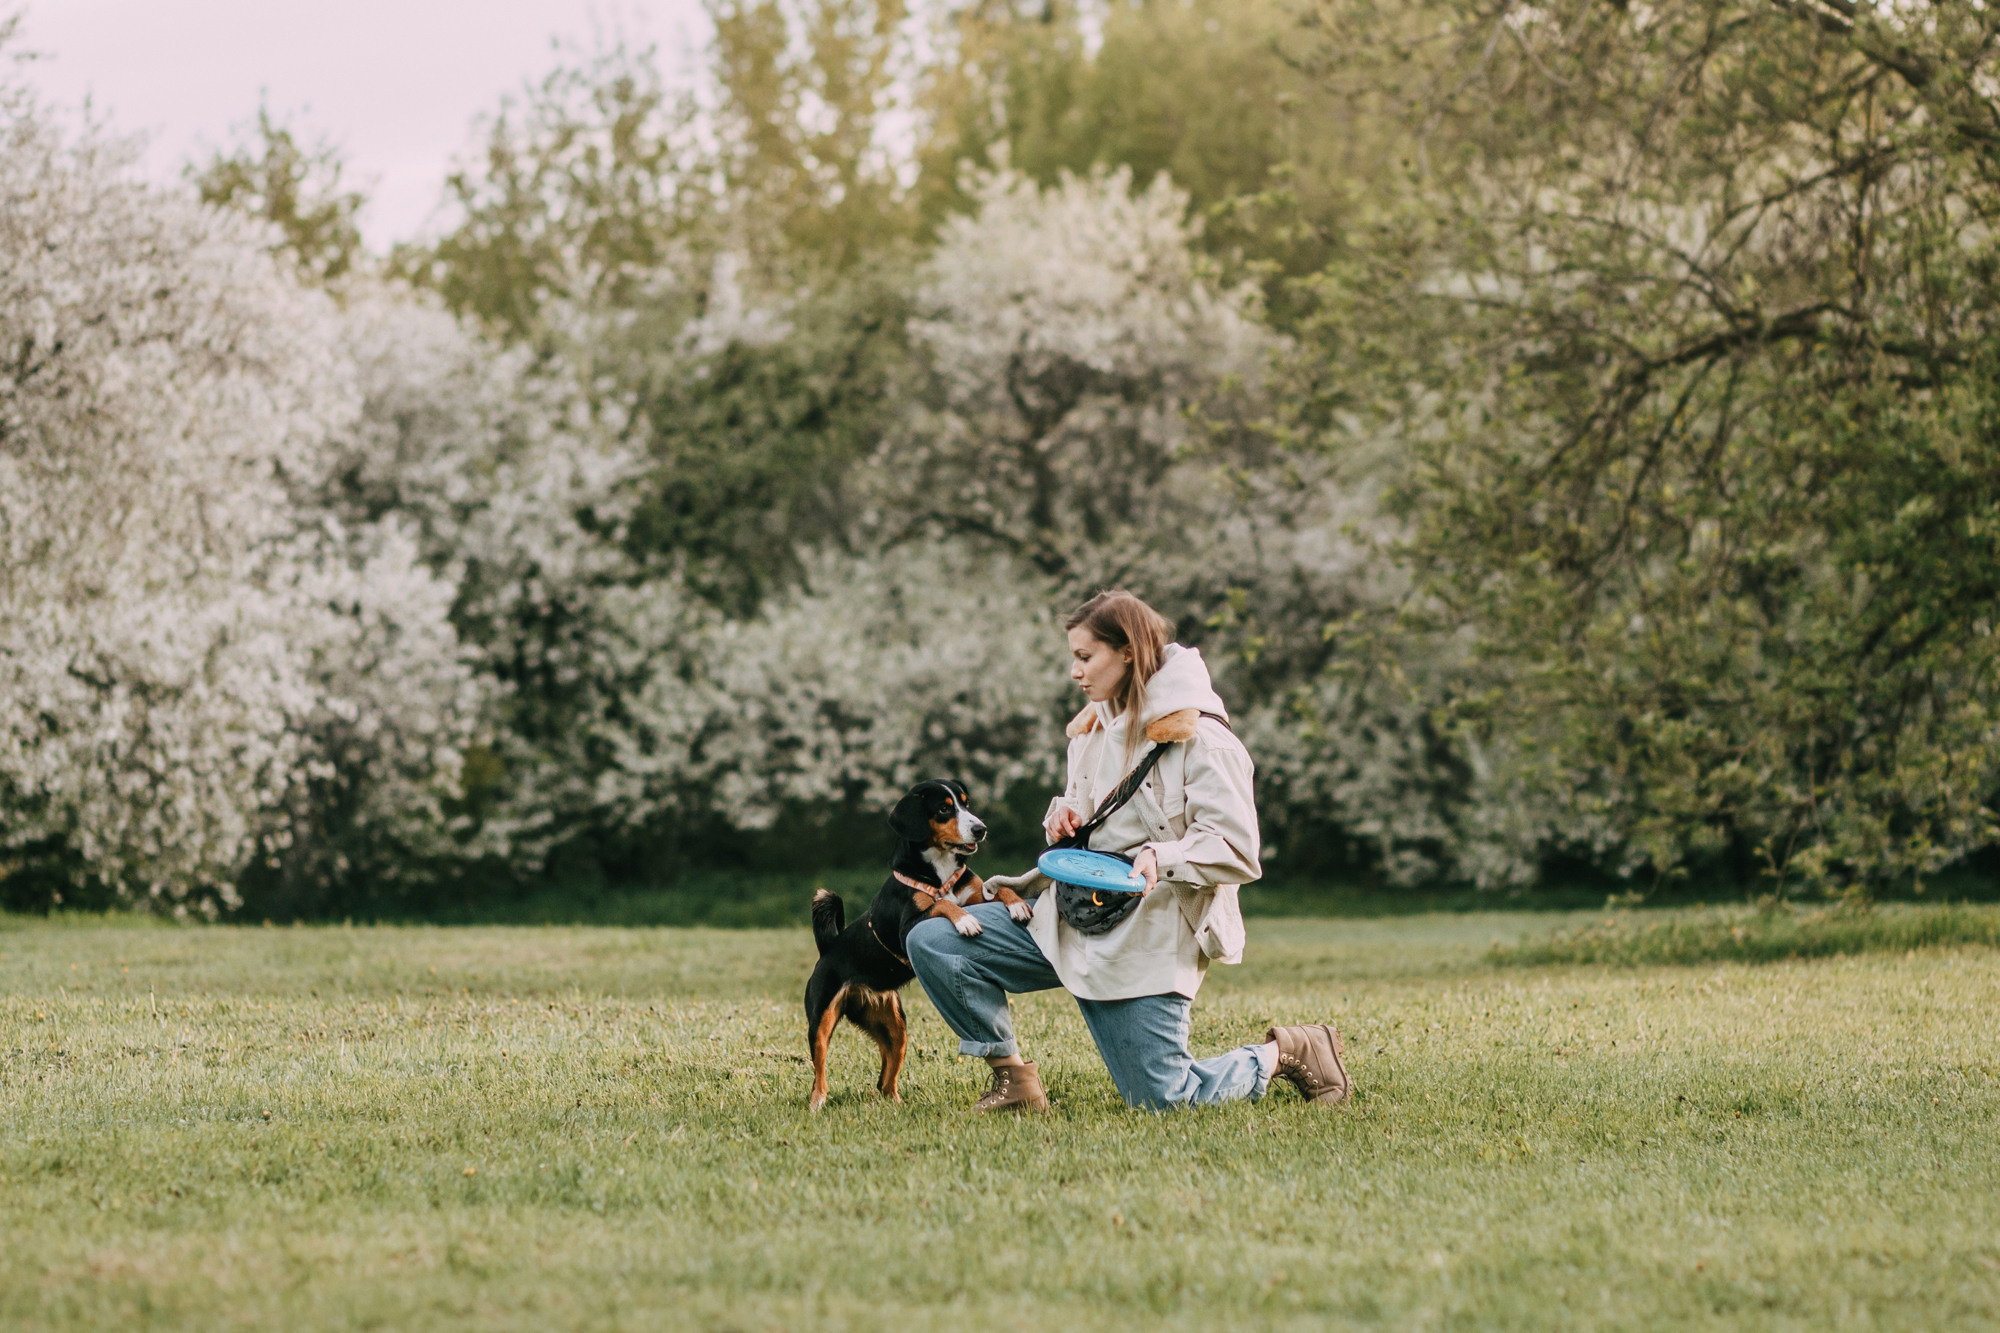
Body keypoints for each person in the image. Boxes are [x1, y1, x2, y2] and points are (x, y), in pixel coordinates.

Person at [905, 590, 1352, 1112]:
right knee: (936, 940)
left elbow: (1237, 849)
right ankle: (1016, 1082)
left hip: (1149, 932)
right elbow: (1090, 810)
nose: (1075, 672)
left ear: (1129, 653)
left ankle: (1289, 1051)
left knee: (1165, 1099)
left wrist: (1162, 857)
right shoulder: (1091, 730)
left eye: (1084, 656)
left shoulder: (1206, 740)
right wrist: (1062, 816)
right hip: (1068, 914)